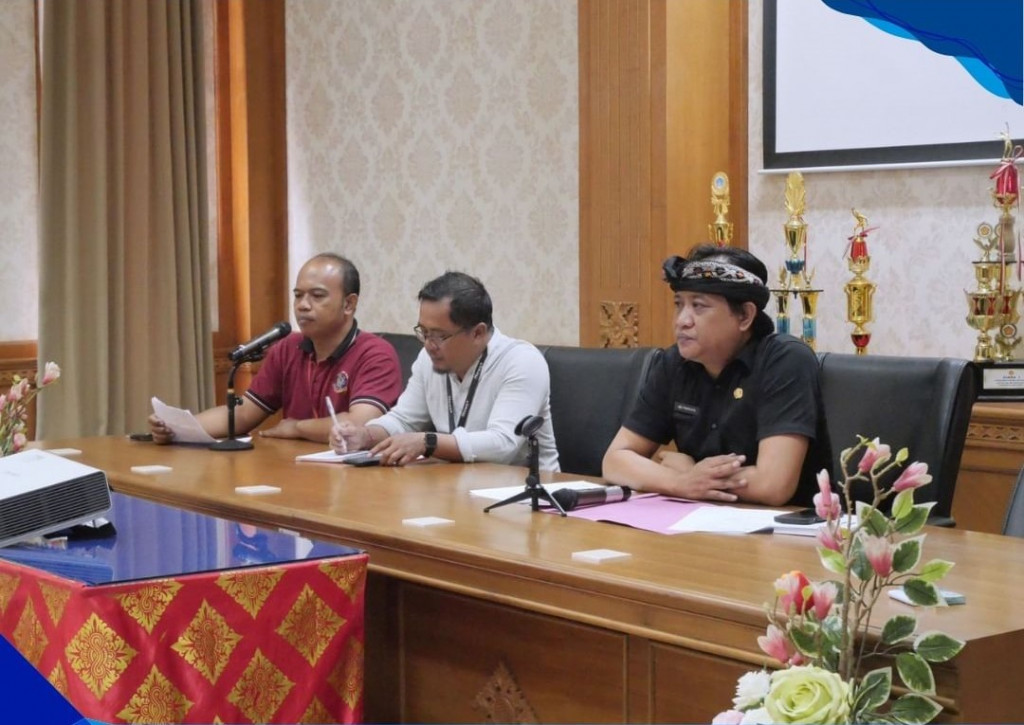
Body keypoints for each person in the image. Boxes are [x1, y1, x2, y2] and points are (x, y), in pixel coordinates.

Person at [602, 244, 831, 507]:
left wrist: (692, 472)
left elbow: (773, 486)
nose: (682, 321)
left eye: (699, 306)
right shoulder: (672, 362)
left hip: (784, 533)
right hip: (703, 522)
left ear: (745, 315)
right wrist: (681, 482)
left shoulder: (785, 360)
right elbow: (614, 460)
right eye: (679, 304)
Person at [149, 253, 402, 445]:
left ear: (349, 303)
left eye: (317, 296)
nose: (303, 305)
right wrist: (177, 428)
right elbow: (244, 413)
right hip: (294, 471)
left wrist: (297, 428)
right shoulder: (288, 348)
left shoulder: (375, 353)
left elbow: (358, 424)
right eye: (298, 295)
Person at [330, 271, 559, 470]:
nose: (429, 344)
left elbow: (503, 444)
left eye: (440, 335)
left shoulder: (520, 361)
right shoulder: (428, 358)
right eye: (424, 332)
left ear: (478, 333)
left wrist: (428, 442)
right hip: (458, 488)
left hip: (527, 498)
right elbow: (403, 420)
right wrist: (364, 436)